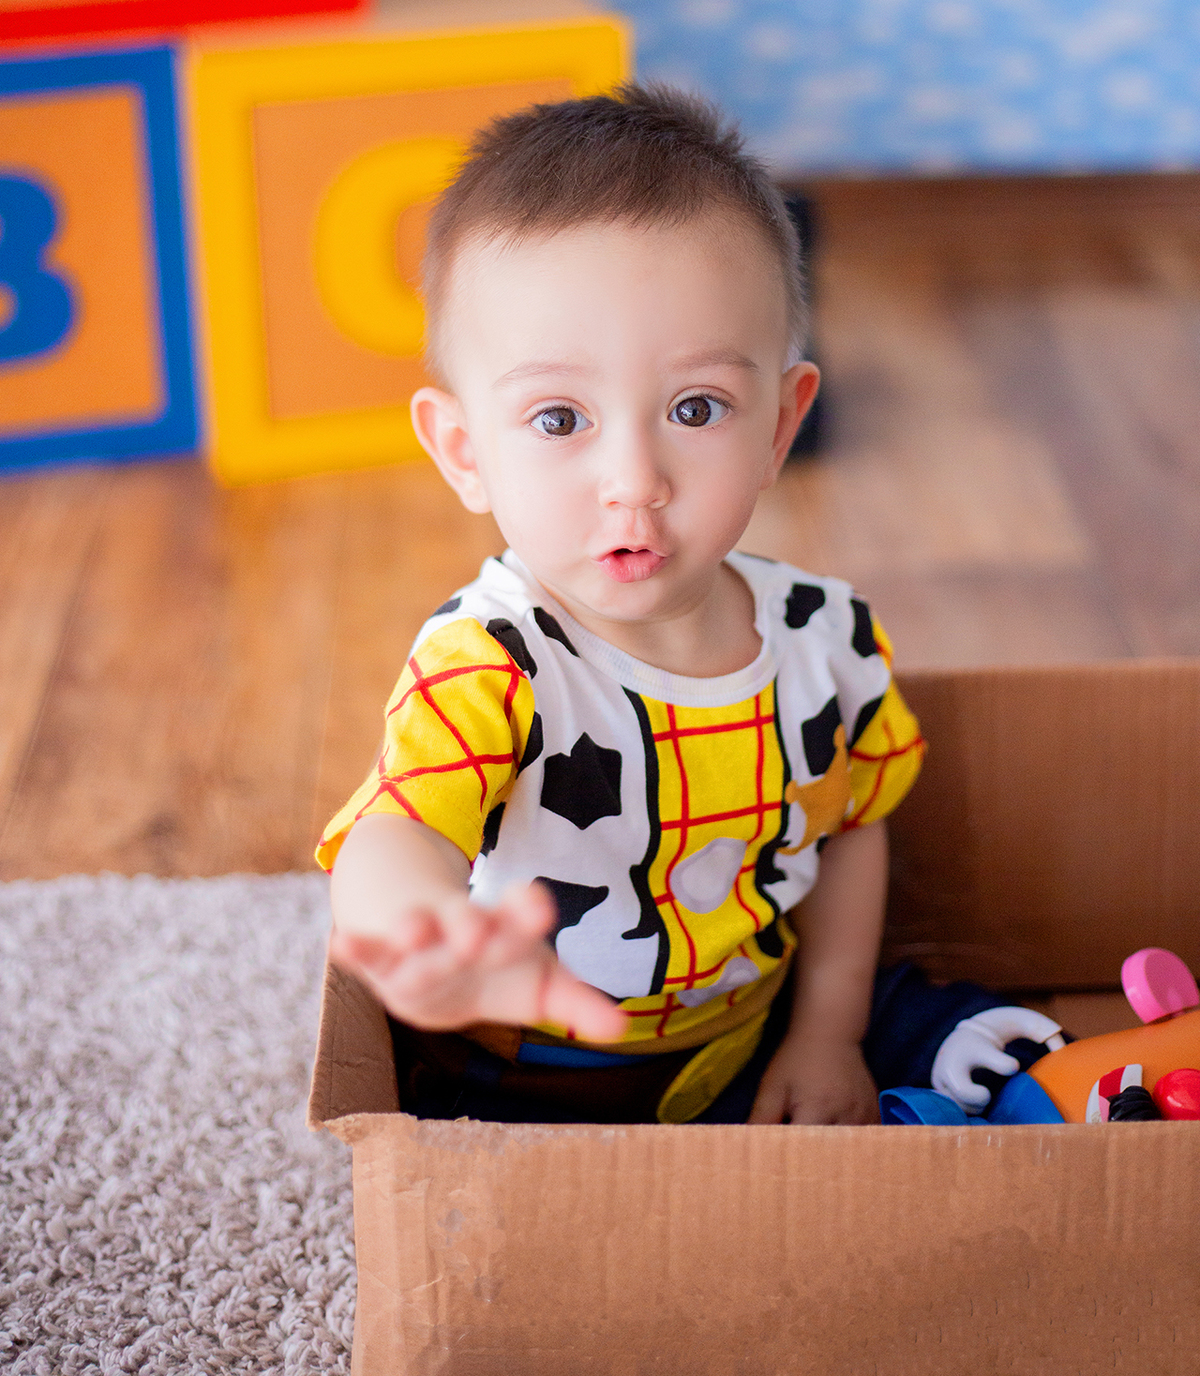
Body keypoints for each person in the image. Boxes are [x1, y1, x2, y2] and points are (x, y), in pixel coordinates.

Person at [316, 83, 1060, 1125]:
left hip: (758, 1021)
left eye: (695, 408)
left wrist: (825, 1031)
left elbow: (854, 831)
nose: (635, 477)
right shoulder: (493, 662)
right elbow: (397, 837)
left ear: (779, 423)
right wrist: (422, 942)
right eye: (560, 416)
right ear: (464, 451)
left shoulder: (826, 638)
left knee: (971, 1032)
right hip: (539, 1067)